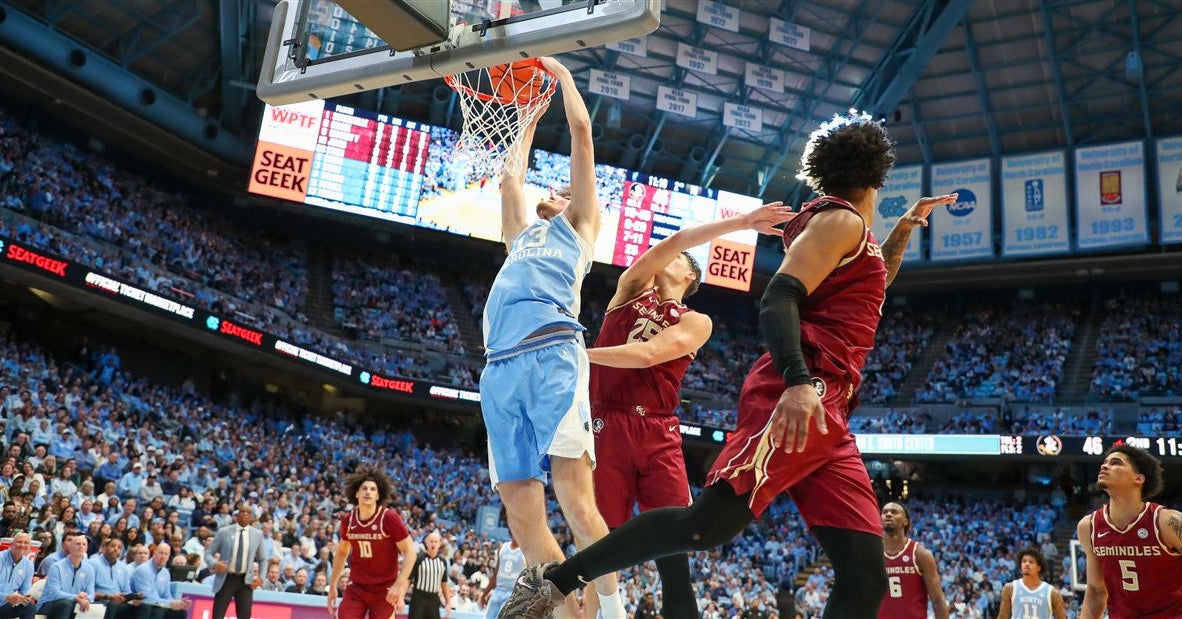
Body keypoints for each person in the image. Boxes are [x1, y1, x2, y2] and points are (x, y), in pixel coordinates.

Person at [497, 112, 960, 619]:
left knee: (865, 575)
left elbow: (871, 283)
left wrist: (903, 229)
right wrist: (798, 383)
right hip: (802, 392)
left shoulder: (852, 234)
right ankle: (555, 583)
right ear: (878, 173)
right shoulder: (840, 222)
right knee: (704, 526)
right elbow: (778, 297)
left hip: (829, 408)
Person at [586, 195, 793, 618]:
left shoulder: (696, 321)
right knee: (600, 541)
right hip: (608, 420)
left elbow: (648, 354)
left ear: (690, 275)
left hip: (658, 430)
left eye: (678, 257)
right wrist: (743, 221)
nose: (666, 255)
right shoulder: (630, 289)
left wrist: (578, 354)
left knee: (676, 545)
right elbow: (678, 238)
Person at [478, 56, 624, 619]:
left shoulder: (578, 228)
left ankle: (612, 610)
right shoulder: (519, 235)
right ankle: (566, 614)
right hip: (499, 366)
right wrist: (529, 117)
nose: (557, 191)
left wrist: (560, 76)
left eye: (565, 189)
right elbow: (511, 178)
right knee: (522, 518)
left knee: (576, 500)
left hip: (553, 356)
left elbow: (582, 133)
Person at [1078, 445, 1182, 618]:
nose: (1104, 466)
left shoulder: (1168, 522)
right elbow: (1096, 591)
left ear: (1138, 478)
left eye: (1116, 463)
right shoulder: (1088, 527)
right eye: (1105, 462)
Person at [327, 465, 415, 619]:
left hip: (384, 589)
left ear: (378, 495)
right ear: (356, 493)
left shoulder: (389, 518)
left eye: (373, 489)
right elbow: (341, 552)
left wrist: (398, 586)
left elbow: (410, 552)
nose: (368, 492)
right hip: (357, 587)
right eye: (364, 488)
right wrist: (333, 585)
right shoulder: (348, 520)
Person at [877, 502, 948, 619]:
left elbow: (938, 600)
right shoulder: (872, 554)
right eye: (885, 512)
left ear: (905, 521)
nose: (888, 514)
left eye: (894, 512)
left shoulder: (920, 554)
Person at [209, 504, 264, 619]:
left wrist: (261, 578)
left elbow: (262, 559)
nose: (245, 514)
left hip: (245, 581)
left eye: (248, 512)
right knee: (217, 615)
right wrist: (215, 564)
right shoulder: (224, 532)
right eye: (242, 511)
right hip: (226, 578)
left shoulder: (258, 534)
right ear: (237, 515)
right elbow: (208, 553)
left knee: (245, 616)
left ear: (251, 517)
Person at [38, 533, 95, 619]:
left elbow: (91, 594)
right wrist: (76, 597)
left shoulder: (89, 569)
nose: (81, 546)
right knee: (66, 604)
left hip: (74, 603)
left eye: (84, 544)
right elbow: (54, 593)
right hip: (49, 604)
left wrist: (86, 598)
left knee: (93, 606)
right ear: (70, 547)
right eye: (78, 544)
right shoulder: (57, 567)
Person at [997, 548, 1066, 619]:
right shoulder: (1010, 588)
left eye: (1031, 562)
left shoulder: (1052, 593)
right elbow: (1002, 617)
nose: (1027, 564)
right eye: (1024, 561)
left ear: (1038, 568)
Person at [130, 543, 191, 619]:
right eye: (161, 553)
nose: (163, 556)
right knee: (157, 610)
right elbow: (146, 598)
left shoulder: (165, 573)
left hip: (157, 606)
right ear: (154, 553)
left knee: (181, 612)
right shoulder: (143, 570)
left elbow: (167, 595)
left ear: (168, 557)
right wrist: (170, 603)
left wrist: (178, 603)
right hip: (139, 606)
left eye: (166, 554)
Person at [406, 532, 450, 619]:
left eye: (436, 542)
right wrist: (401, 598)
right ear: (426, 543)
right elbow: (408, 580)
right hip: (418, 598)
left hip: (434, 599)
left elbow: (444, 583)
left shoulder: (442, 562)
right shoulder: (419, 559)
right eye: (431, 541)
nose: (433, 544)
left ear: (439, 544)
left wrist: (448, 602)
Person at [481, 535, 524, 619]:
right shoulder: (503, 547)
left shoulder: (525, 551)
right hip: (498, 590)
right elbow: (496, 574)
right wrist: (484, 594)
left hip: (512, 593)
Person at [0, 532, 36, 619]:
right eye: (19, 542)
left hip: (6, 606)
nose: (22, 545)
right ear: (11, 544)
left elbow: (25, 591)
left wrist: (23, 598)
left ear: (30, 547)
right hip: (4, 600)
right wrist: (6, 597)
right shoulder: (1, 558)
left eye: (26, 543)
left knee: (29, 607)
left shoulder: (28, 565)